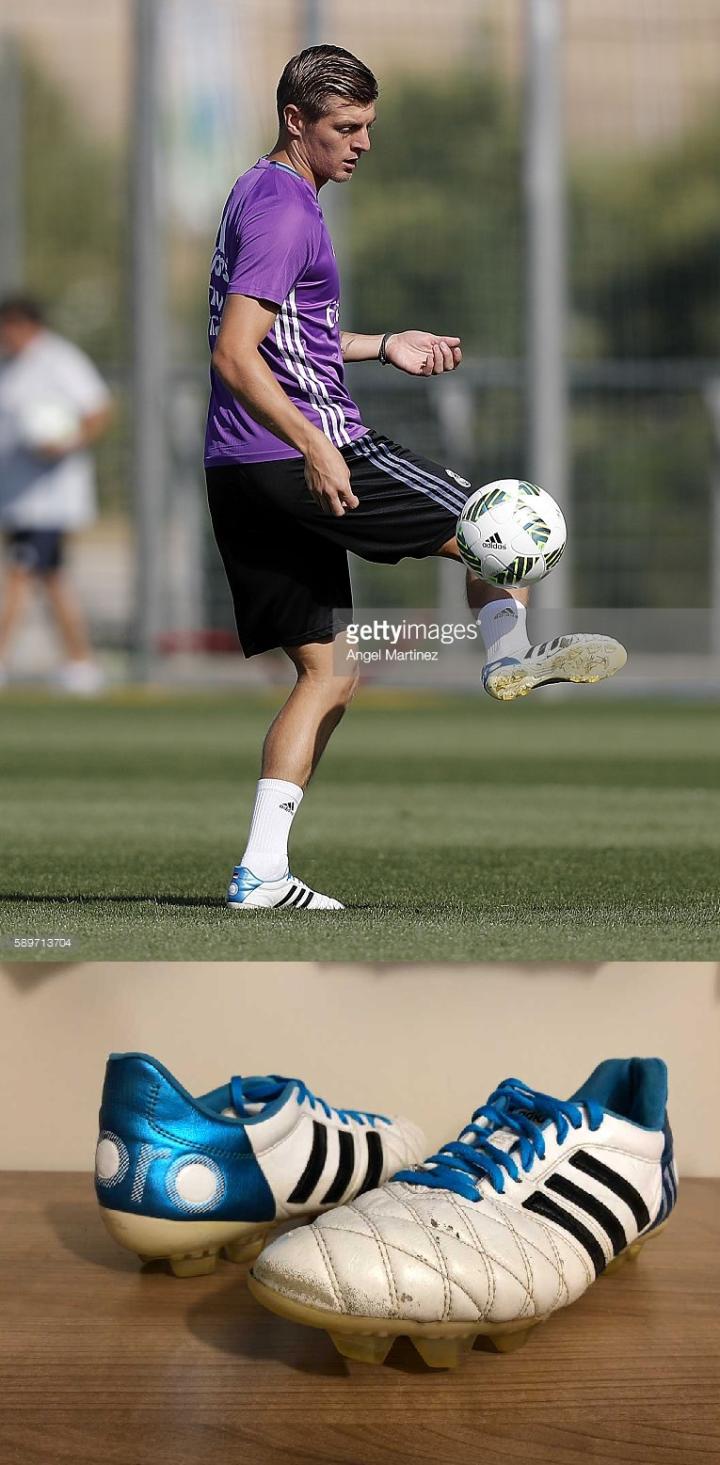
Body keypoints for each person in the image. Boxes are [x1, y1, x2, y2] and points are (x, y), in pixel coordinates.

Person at [204, 44, 626, 912]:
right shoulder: (286, 211)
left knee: (330, 673)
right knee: (497, 518)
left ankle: (261, 873)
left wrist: (382, 344)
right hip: (307, 451)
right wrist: (315, 445)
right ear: (296, 121)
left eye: (368, 126)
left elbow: (286, 336)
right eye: (346, 127)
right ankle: (506, 654)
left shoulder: (257, 190)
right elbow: (235, 353)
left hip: (238, 466)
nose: (362, 143)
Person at [0, 296, 113, 692]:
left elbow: (98, 410)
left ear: (26, 325)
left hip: (50, 500)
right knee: (52, 579)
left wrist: (65, 443)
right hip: (18, 497)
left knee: (19, 572)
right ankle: (82, 663)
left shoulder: (60, 360)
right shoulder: (10, 366)